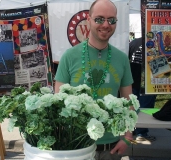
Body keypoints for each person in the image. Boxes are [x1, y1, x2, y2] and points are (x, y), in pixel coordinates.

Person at [54, 0, 134, 159]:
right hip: (76, 144)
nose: (106, 24)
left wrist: (127, 136)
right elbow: (58, 103)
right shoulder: (69, 57)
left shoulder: (122, 59)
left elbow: (128, 102)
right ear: (88, 20)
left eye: (111, 20)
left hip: (110, 147)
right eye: (99, 19)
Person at [129, 37, 157, 142]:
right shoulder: (156, 43)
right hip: (148, 82)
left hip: (133, 80)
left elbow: (127, 58)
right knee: (145, 108)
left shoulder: (134, 42)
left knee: (133, 106)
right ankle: (142, 133)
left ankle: (133, 129)